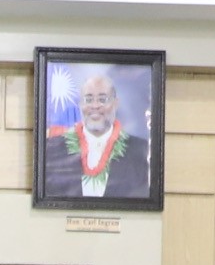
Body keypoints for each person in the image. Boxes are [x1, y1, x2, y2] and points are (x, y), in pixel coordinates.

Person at [45, 65, 154, 201]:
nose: (95, 106)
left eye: (102, 99)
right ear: (80, 105)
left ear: (116, 104)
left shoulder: (141, 152)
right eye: (88, 99)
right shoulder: (52, 149)